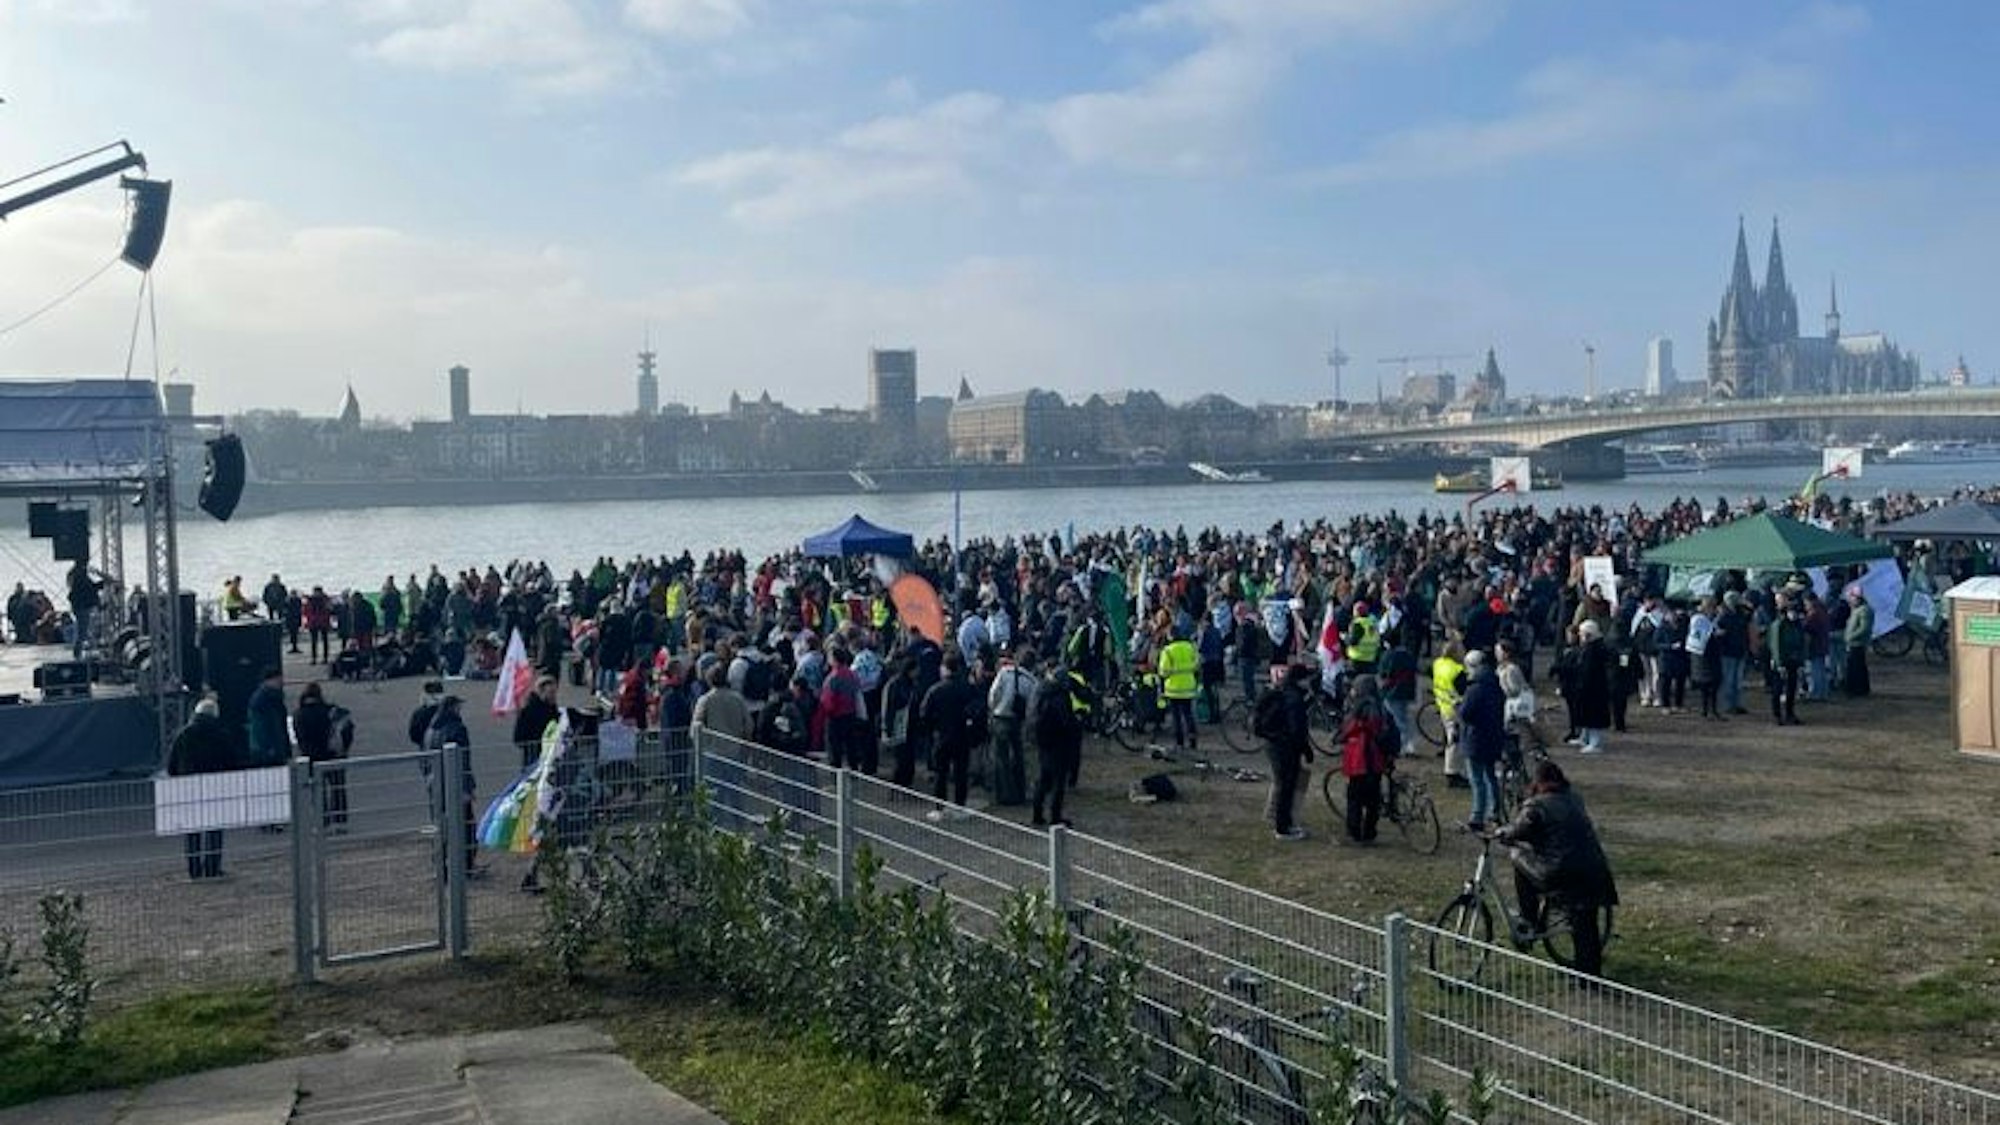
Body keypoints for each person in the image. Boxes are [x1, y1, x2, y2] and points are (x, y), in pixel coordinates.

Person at [1494, 760, 1618, 977]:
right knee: (1586, 924)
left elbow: (1519, 831)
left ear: (1538, 782)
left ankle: (1529, 918)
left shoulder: (1537, 806)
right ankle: (1589, 975)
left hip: (1561, 871)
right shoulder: (1575, 799)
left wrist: (1502, 833)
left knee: (1517, 857)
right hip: (1595, 869)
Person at [166, 697, 238, 880]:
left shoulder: (183, 734)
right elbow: (231, 760)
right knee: (214, 828)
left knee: (192, 830)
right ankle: (213, 868)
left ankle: (194, 870)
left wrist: (178, 779)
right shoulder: (221, 734)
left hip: (189, 787)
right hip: (216, 786)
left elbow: (171, 764)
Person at [424, 695, 483, 875]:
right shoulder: (457, 729)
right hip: (455, 782)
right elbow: (463, 760)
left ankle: (440, 865)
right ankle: (467, 864)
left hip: (436, 783)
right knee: (466, 824)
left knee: (441, 825)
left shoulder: (431, 730)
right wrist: (468, 787)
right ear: (453, 708)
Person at [920, 652, 983, 817]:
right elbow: (978, 708)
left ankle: (939, 808)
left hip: (941, 736)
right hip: (962, 735)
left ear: (944, 668)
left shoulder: (935, 690)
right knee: (961, 773)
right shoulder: (968, 688)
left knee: (941, 773)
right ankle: (960, 807)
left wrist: (932, 729)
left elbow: (924, 714)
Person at [1259, 663, 1315, 841]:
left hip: (1273, 743)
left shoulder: (1281, 692)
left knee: (1281, 783)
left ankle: (1278, 818)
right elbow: (1296, 729)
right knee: (1287, 786)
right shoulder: (1294, 699)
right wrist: (1305, 749)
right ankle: (1283, 827)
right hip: (1286, 747)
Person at [1337, 674, 1393, 845]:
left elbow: (1347, 730)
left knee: (1354, 798)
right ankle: (1370, 832)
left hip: (1361, 758)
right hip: (1376, 760)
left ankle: (1354, 833)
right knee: (1373, 800)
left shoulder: (1360, 708)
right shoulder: (1381, 707)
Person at [1029, 661, 1085, 828]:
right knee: (1058, 783)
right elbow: (1066, 722)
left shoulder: (1041, 690)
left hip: (1043, 741)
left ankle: (1037, 813)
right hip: (1059, 744)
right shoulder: (1060, 696)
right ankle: (1055, 816)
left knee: (1044, 779)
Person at [1457, 650, 1506, 832]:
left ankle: (1477, 816)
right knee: (1490, 776)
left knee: (1477, 779)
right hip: (1493, 736)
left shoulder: (1474, 689)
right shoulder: (1495, 685)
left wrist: (1459, 706)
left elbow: (1465, 714)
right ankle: (1495, 812)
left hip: (1476, 738)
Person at [293, 681, 350, 829]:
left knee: (317, 790)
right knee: (337, 787)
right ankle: (340, 820)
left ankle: (322, 820)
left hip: (311, 756)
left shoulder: (299, 714)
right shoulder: (331, 710)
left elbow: (300, 737)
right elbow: (347, 727)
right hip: (333, 755)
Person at [986, 649, 1036, 807]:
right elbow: (1032, 706)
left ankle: (1003, 794)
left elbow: (993, 694)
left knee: (1001, 757)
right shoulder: (1032, 681)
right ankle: (1019, 791)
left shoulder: (1005, 673)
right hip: (1018, 721)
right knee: (1018, 756)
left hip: (1001, 717)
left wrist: (993, 709)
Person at [1570, 621, 1613, 753]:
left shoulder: (1593, 650)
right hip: (1591, 687)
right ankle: (1585, 737)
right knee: (1587, 715)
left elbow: (1588, 671)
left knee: (1593, 716)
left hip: (1593, 688)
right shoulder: (1591, 647)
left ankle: (1595, 743)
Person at [1156, 625, 1200, 752]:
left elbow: (1163, 671)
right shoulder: (1189, 647)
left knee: (1176, 718)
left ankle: (1179, 743)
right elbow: (1197, 664)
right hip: (1188, 687)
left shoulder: (1168, 650)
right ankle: (1193, 741)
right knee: (1188, 715)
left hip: (1173, 689)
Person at [1767, 594, 1806, 726]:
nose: (1794, 614)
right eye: (1792, 611)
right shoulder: (1779, 625)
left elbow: (1802, 644)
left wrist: (1801, 662)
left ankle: (1790, 713)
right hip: (1782, 661)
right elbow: (1776, 645)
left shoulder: (1798, 625)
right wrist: (1779, 664)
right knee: (1778, 689)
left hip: (1794, 660)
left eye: (1796, 611)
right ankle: (1776, 715)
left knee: (1791, 688)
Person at [513, 674, 562, 773]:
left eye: (555, 692)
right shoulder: (528, 711)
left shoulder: (552, 708)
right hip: (534, 754)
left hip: (549, 753)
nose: (554, 696)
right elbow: (518, 737)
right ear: (541, 691)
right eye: (551, 692)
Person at [245, 666, 290, 767]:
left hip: (269, 749)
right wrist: (270, 748)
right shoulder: (265, 700)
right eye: (278, 679)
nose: (281, 682)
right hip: (269, 750)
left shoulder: (264, 698)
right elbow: (262, 728)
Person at [66, 558, 102, 659]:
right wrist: (102, 584)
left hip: (79, 605)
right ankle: (77, 652)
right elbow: (89, 589)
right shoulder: (80, 576)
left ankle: (79, 651)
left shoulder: (75, 575)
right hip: (82, 606)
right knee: (82, 629)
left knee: (82, 628)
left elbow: (89, 588)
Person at [1843, 585, 1873, 697]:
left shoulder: (1864, 610)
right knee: (1856, 666)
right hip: (1854, 642)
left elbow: (1864, 628)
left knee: (1857, 667)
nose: (1850, 601)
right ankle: (1857, 688)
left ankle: (1858, 689)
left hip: (1857, 643)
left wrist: (1851, 636)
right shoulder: (1858, 609)